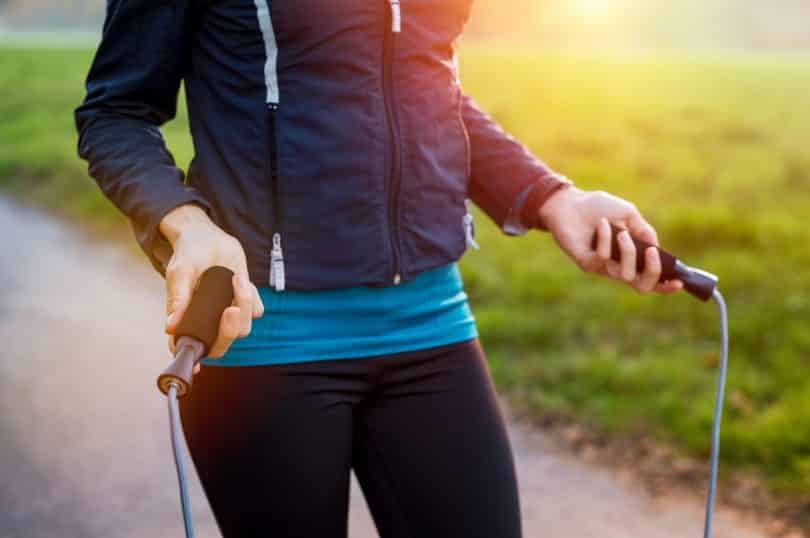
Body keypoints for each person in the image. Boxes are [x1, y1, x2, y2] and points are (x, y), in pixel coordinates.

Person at [75, 1, 682, 536]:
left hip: (431, 324)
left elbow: (426, 86)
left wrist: (554, 198)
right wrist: (188, 224)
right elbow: (116, 113)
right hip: (268, 338)